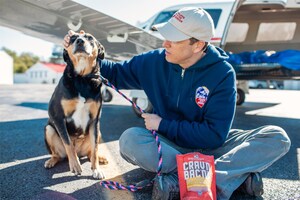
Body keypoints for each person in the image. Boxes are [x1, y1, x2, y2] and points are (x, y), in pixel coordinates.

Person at [63, 7, 291, 200]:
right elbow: (114, 73)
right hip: (171, 146)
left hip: (213, 146)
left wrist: (162, 124)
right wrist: (81, 47)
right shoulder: (154, 61)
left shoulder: (223, 73)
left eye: (174, 39)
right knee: (129, 140)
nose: (166, 43)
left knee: (277, 136)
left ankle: (180, 181)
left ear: (198, 45)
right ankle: (231, 177)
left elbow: (214, 136)